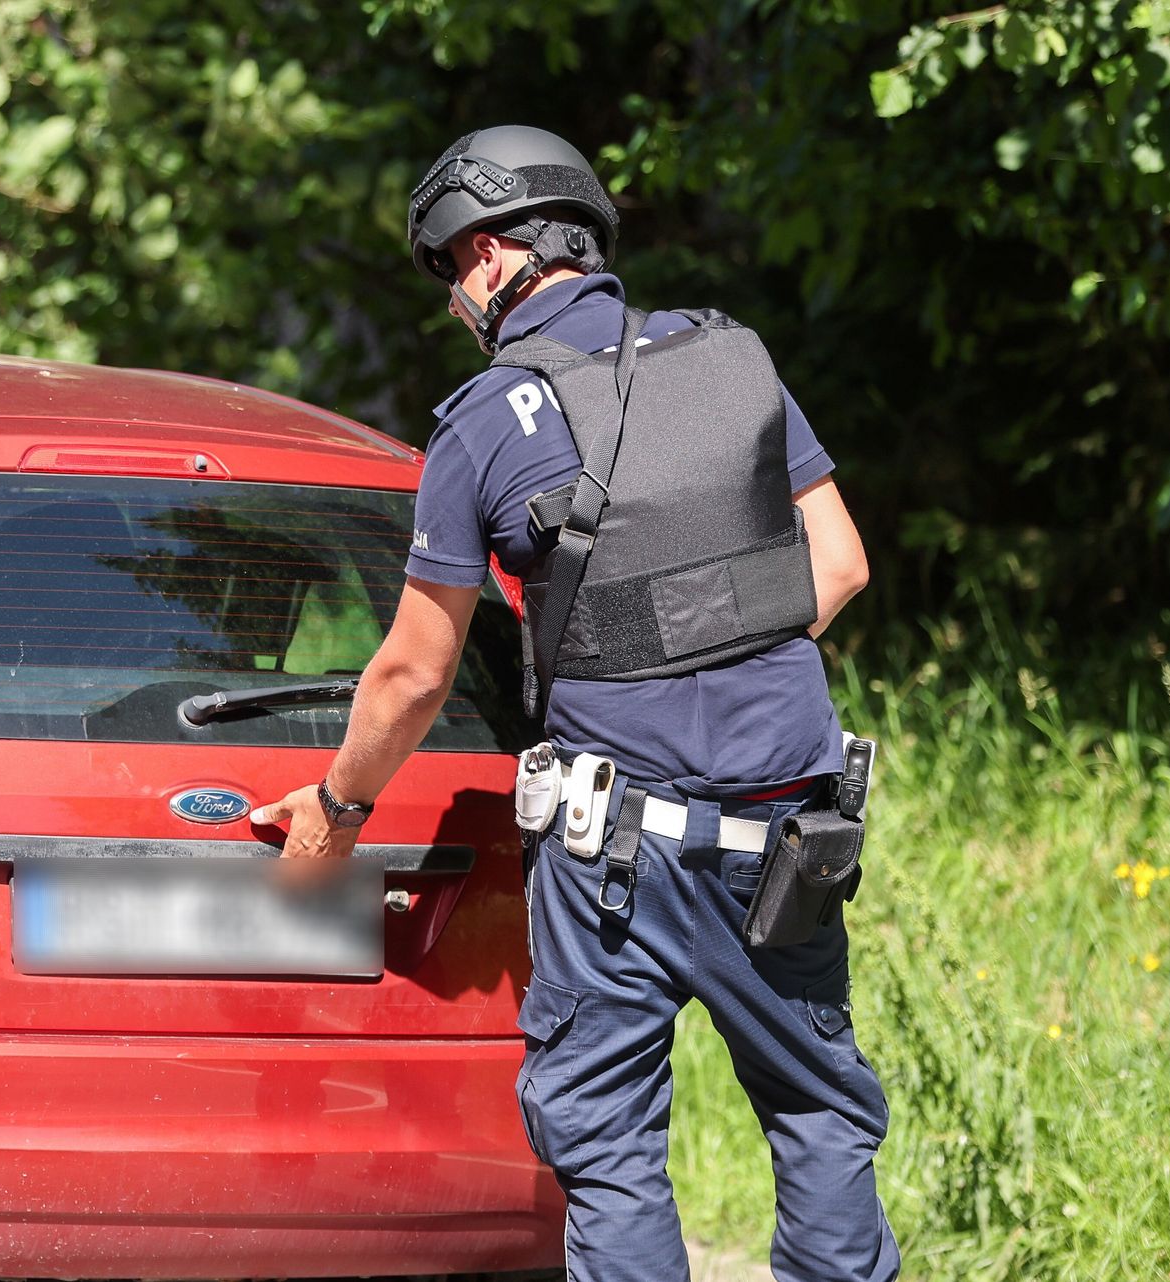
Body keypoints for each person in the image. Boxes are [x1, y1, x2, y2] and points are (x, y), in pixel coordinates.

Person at [252, 126, 899, 1282]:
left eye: (452, 266)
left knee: (608, 1144)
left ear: (495, 253)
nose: (455, 295)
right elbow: (840, 562)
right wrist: (716, 661)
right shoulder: (735, 360)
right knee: (818, 1110)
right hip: (789, 837)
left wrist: (336, 810)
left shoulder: (483, 425)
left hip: (620, 857)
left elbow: (412, 673)